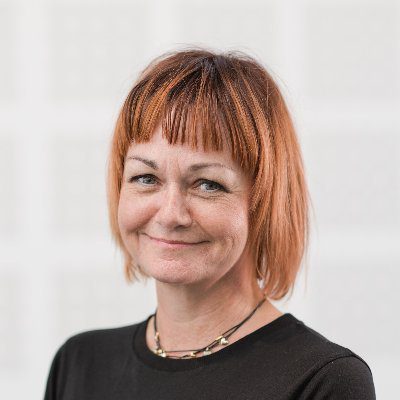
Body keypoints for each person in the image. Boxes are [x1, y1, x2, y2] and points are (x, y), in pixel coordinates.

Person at [43, 48, 376, 399]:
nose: (171, 214)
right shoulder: (79, 364)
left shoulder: (324, 381)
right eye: (145, 178)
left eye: (208, 184)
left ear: (264, 202)